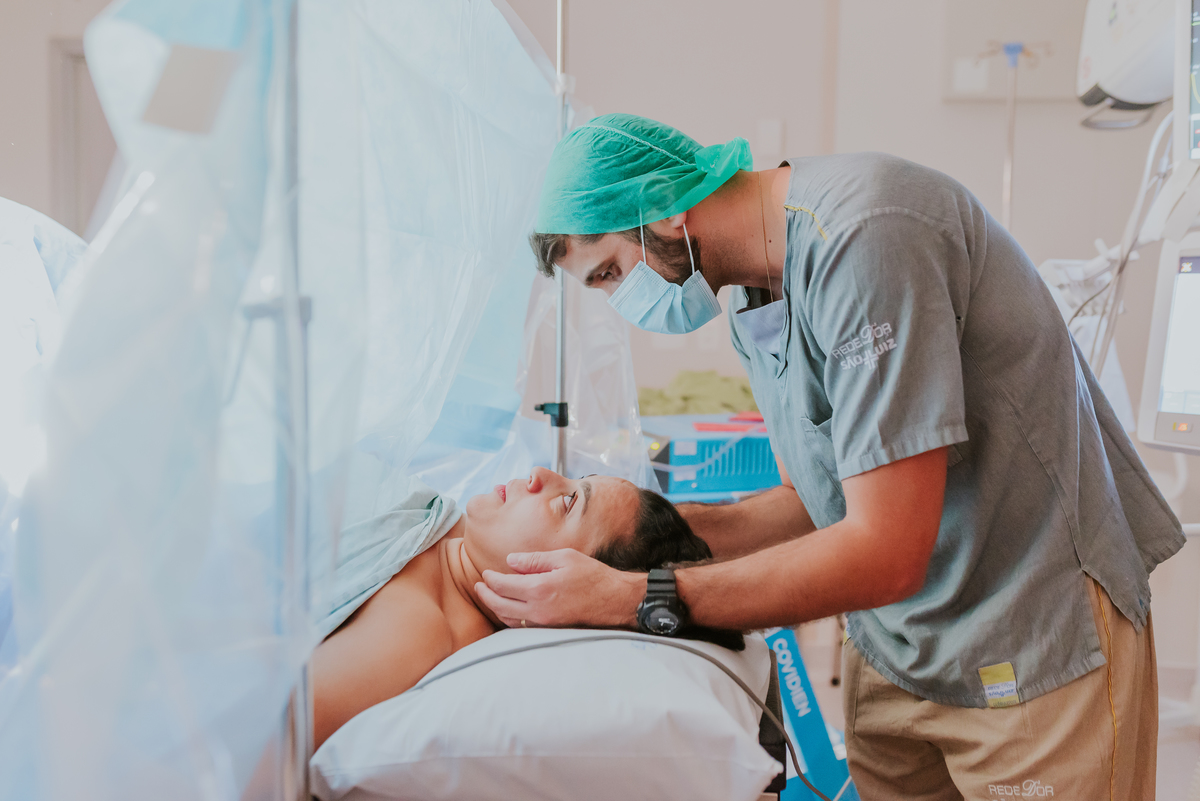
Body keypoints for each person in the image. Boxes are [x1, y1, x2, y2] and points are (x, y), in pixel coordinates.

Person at [475, 113, 1186, 799]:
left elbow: (884, 549)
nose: (617, 301)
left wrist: (640, 599)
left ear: (663, 211)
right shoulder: (754, 296)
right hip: (901, 649)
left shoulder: (866, 237)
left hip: (1028, 637)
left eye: (608, 274)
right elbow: (812, 506)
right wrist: (629, 536)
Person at [311, 467, 714, 750]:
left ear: (561, 583)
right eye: (576, 476)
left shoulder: (413, 629)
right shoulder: (444, 531)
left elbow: (264, 745)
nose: (540, 473)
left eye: (568, 501)